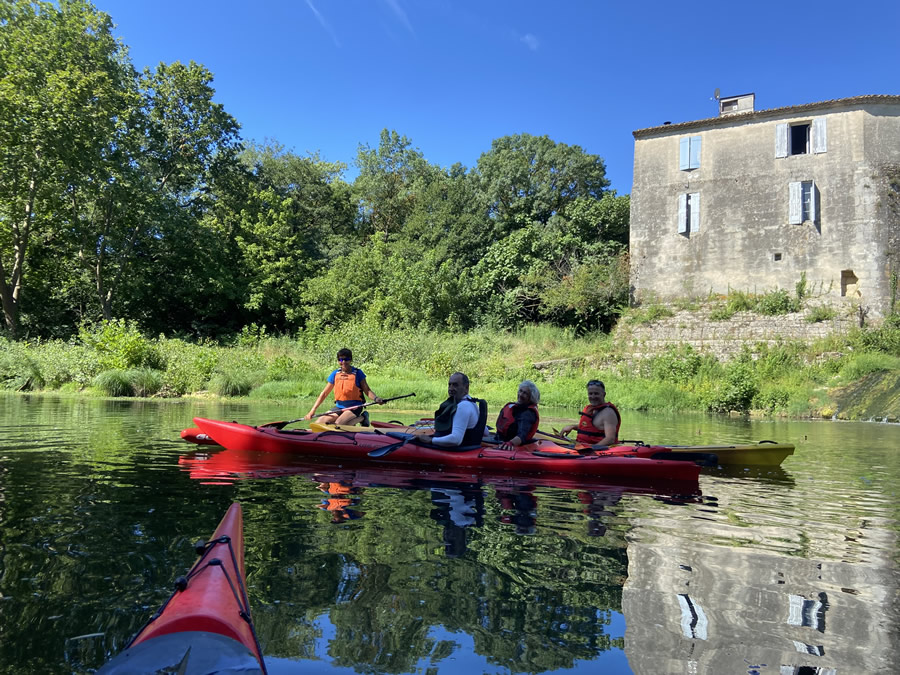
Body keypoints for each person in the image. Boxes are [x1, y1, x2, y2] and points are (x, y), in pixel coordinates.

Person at [304, 348, 384, 425]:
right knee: (319, 422)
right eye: (341, 360)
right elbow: (324, 393)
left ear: (351, 360)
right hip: (339, 407)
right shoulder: (335, 374)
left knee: (339, 424)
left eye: (346, 359)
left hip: (355, 407)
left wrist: (376, 398)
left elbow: (367, 390)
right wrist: (312, 411)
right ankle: (345, 423)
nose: (343, 362)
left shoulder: (358, 373)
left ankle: (362, 417)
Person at [429, 372, 487, 447]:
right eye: (449, 385)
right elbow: (486, 432)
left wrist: (431, 440)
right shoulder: (473, 403)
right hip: (472, 448)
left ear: (466, 388)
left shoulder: (463, 406)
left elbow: (456, 440)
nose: (451, 388)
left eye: (455, 385)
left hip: (462, 451)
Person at [560, 379, 620, 447]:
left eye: (596, 393)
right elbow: (590, 428)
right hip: (581, 447)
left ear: (604, 394)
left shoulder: (608, 413)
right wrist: (573, 427)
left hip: (595, 452)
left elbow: (610, 439)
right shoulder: (589, 409)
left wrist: (591, 450)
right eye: (590, 394)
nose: (593, 397)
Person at [494, 380, 540, 451]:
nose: (521, 394)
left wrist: (510, 443)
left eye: (525, 393)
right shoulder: (515, 408)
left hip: (514, 445)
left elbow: (521, 436)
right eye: (520, 391)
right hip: (499, 439)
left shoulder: (528, 414)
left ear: (531, 398)